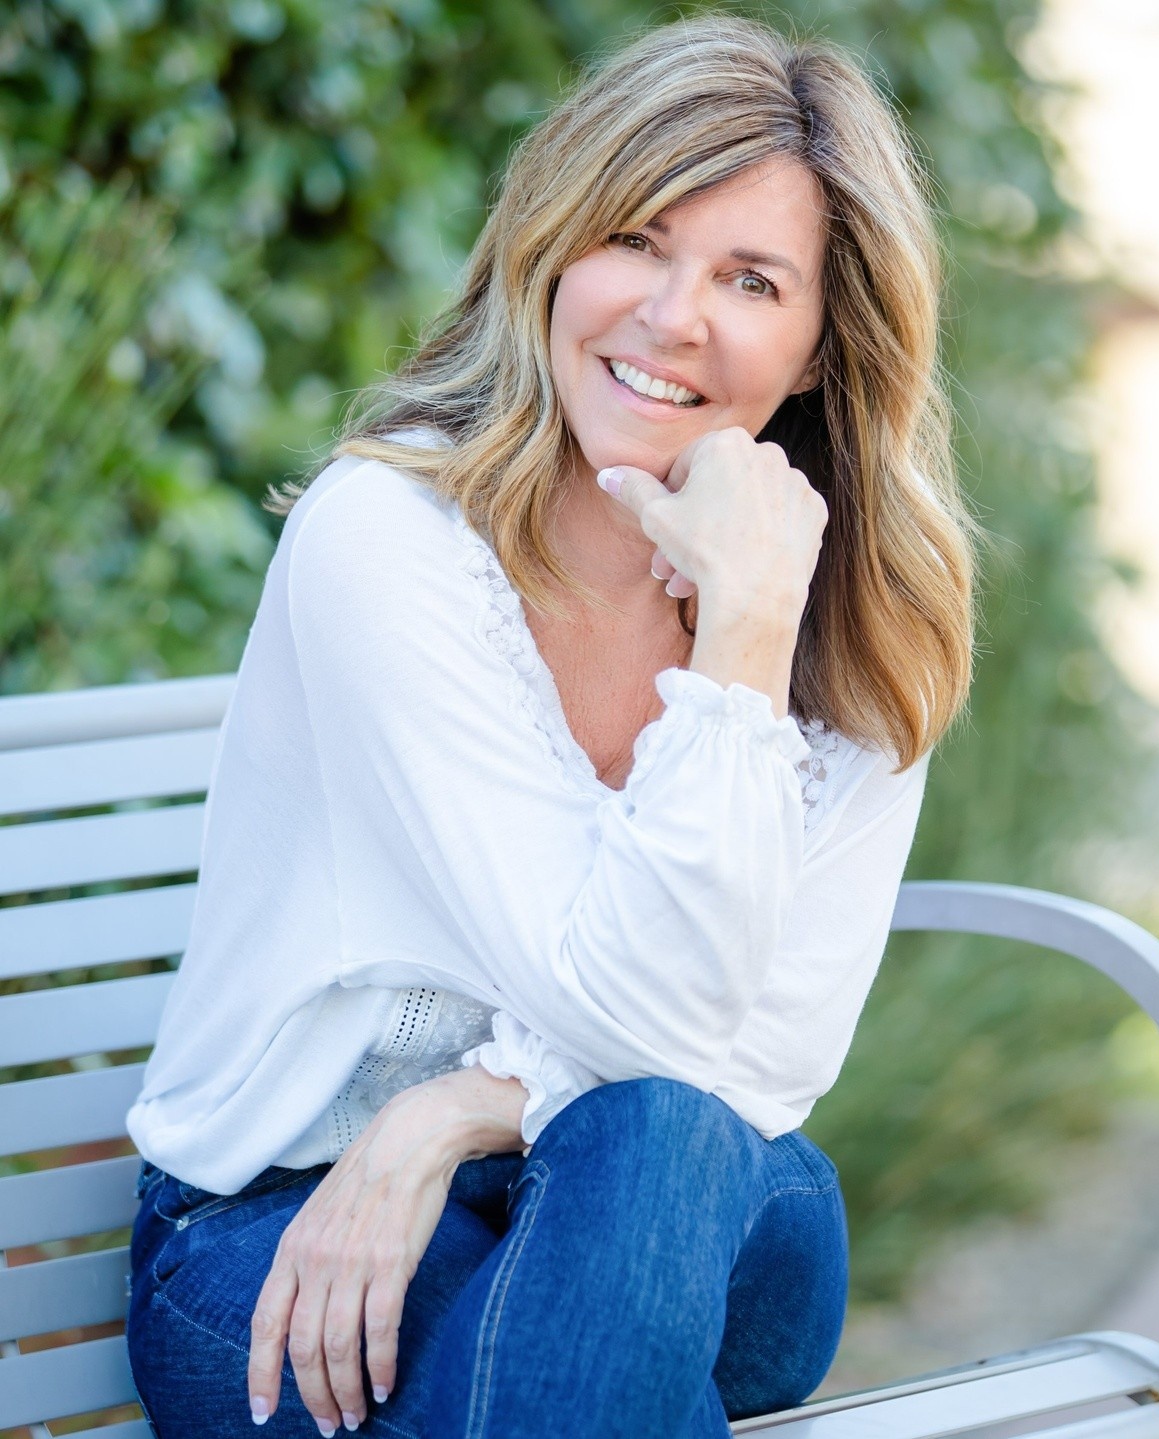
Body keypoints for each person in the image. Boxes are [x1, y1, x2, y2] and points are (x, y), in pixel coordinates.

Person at [123, 14, 980, 1438]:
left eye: (751, 279)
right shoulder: (389, 539)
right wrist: (741, 659)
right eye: (636, 239)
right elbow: (641, 1018)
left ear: (822, 347)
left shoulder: (854, 614)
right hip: (304, 1232)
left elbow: (763, 1051)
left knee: (655, 1133)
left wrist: (449, 1113)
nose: (673, 315)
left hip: (701, 1210)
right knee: (590, 1330)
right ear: (553, 253)